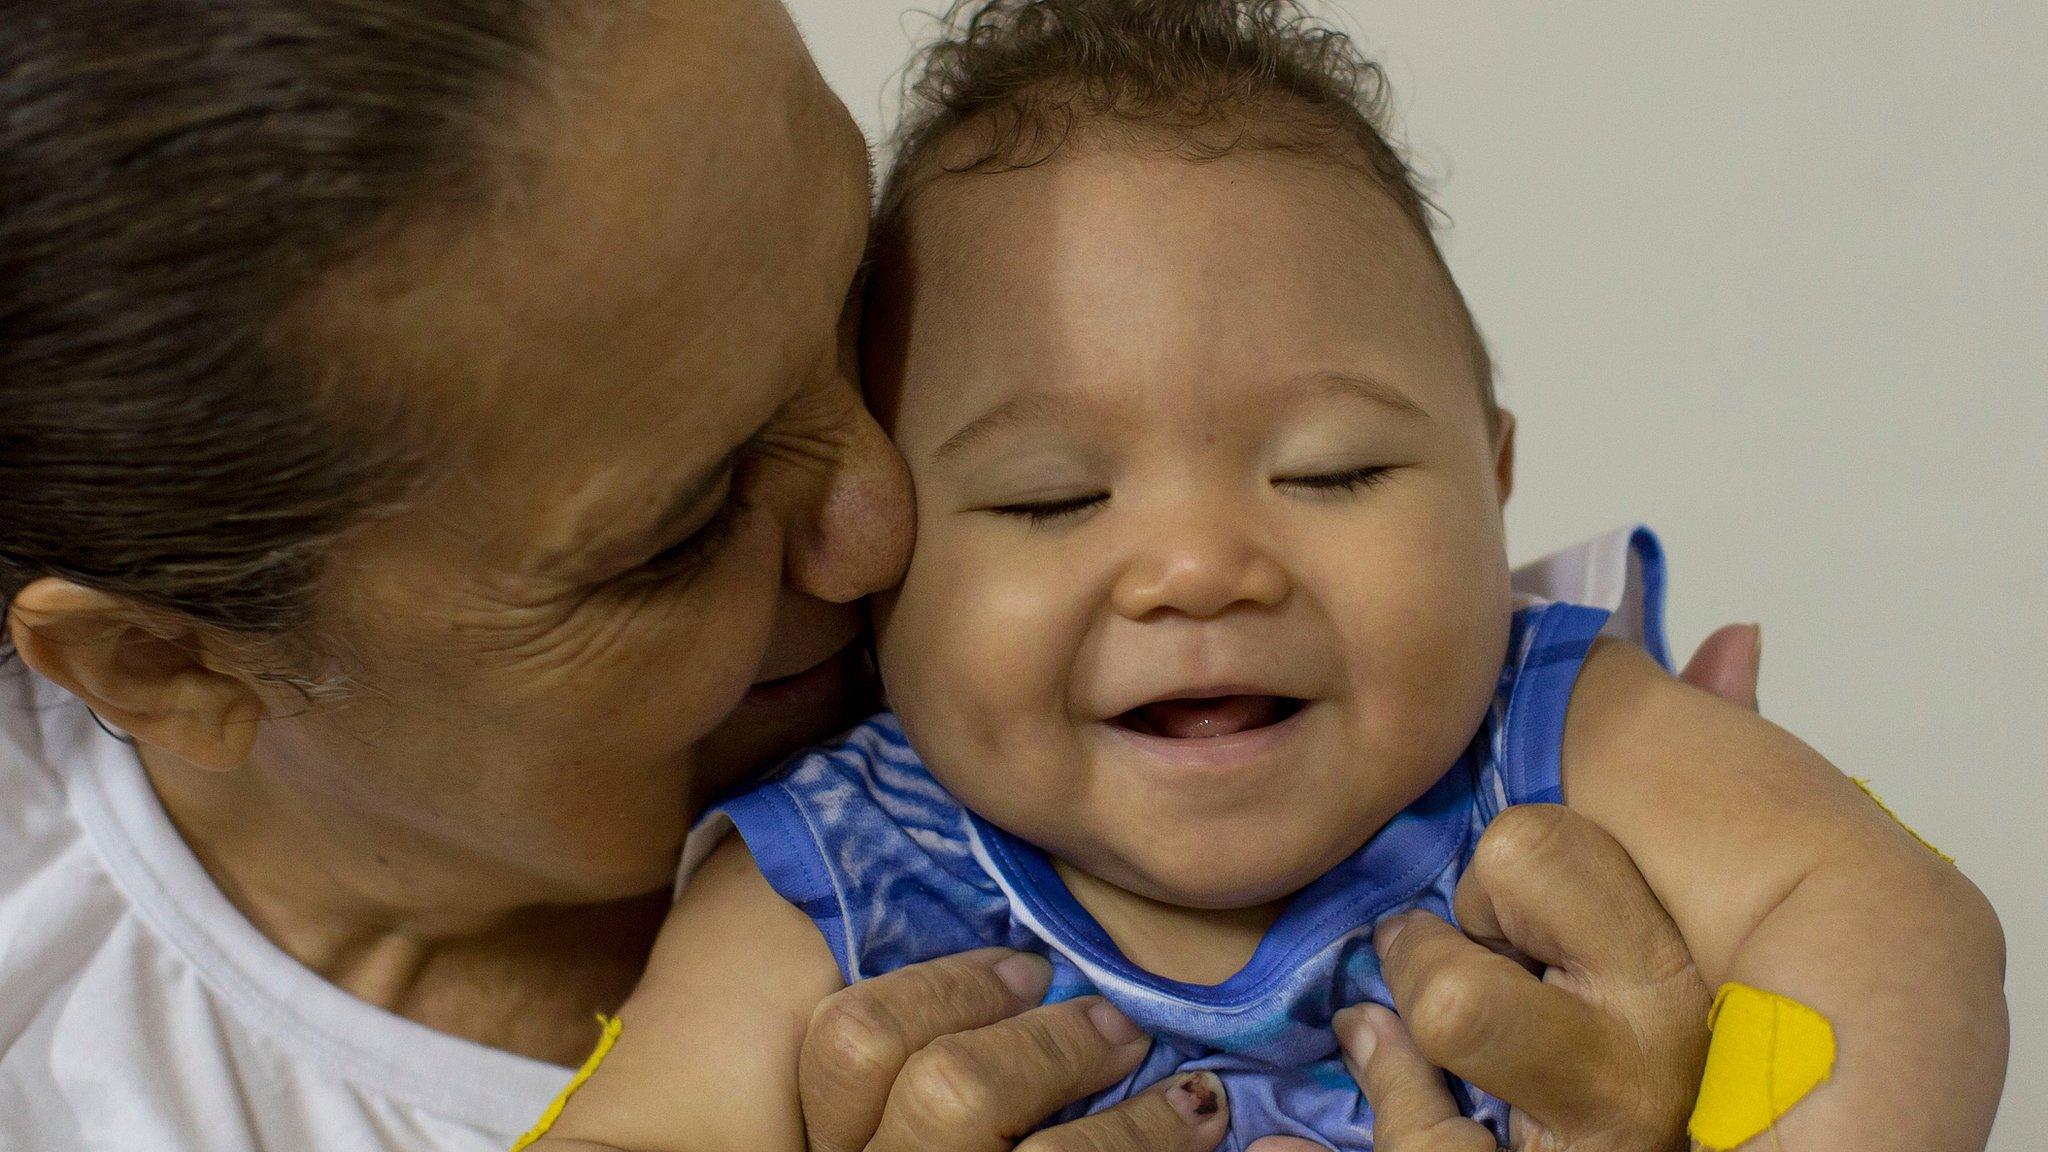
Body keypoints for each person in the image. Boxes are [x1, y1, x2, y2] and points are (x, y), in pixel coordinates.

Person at [3, 1, 1773, 1149]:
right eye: (680, 526)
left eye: (852, 300)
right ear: (169, 667)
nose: (885, 517)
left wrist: (1731, 1081)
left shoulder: (1394, 756)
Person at [523, 4, 2008, 1152]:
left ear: (1493, 490)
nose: (1197, 569)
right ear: (889, 566)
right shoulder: (839, 865)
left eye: (1333, 473)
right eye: (1052, 498)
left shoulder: (1546, 735)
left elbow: (1892, 924)